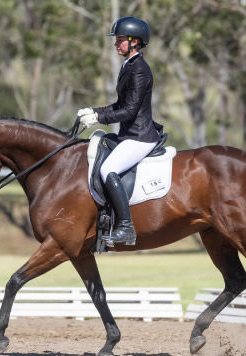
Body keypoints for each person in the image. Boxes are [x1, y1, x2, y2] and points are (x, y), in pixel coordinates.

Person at [77, 16, 162, 246]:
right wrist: (93, 111)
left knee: (108, 169)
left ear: (135, 42)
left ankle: (126, 227)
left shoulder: (140, 70)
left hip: (140, 136)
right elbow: (119, 104)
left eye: (120, 40)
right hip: (129, 134)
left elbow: (129, 111)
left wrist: (98, 118)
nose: (116, 44)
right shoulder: (129, 66)